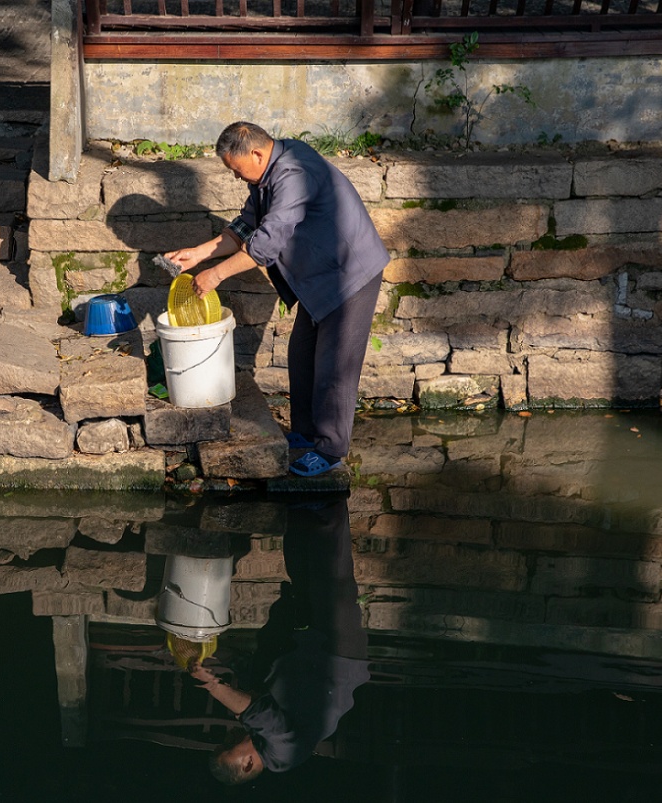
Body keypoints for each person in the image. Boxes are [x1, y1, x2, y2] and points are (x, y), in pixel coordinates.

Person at [166, 121, 390, 476]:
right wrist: (200, 254)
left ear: (256, 153)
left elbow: (266, 242)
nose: (236, 177)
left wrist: (216, 274)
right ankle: (303, 432)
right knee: (301, 352)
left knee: (336, 366)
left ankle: (331, 450)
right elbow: (247, 224)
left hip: (350, 274)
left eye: (236, 170)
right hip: (320, 276)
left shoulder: (293, 173)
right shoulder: (268, 170)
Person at [189, 495, 369, 783]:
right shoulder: (283, 755)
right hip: (338, 654)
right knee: (332, 573)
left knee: (301, 566)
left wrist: (210, 654)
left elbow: (251, 671)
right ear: (247, 765)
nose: (229, 737)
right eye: (228, 747)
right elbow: (259, 711)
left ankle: (300, 501)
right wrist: (212, 685)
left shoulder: (263, 739)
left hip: (311, 646)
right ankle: (330, 495)